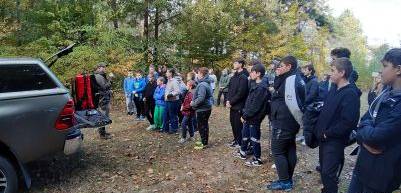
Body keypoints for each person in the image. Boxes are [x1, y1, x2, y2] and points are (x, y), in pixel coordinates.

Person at [348, 48, 401, 193]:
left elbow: (377, 136)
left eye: (385, 66)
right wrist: (366, 138)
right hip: (362, 168)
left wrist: (366, 133)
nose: (380, 71)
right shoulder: (384, 94)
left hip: (381, 176)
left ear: (398, 70)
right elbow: (363, 121)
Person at [314, 58, 361, 193]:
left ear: (342, 72)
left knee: (329, 174)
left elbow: (349, 122)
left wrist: (328, 133)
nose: (330, 73)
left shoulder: (350, 94)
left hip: (334, 141)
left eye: (333, 70)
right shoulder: (334, 88)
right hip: (324, 140)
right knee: (324, 171)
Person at [266, 56, 305, 191]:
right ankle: (288, 179)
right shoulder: (293, 78)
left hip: (284, 121)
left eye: (281, 66)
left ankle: (284, 182)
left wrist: (298, 121)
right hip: (289, 122)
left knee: (277, 151)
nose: (278, 68)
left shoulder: (291, 80)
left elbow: (293, 104)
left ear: (289, 67)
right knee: (289, 148)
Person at [233, 63, 270, 167]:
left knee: (254, 138)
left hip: (254, 118)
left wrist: (245, 116)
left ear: (258, 74)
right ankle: (243, 152)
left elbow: (255, 106)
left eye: (252, 72)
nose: (250, 73)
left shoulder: (261, 88)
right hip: (248, 116)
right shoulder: (254, 84)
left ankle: (257, 158)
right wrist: (244, 112)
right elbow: (249, 101)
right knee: (245, 134)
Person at [226, 59, 249, 148]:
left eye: (235, 63)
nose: (233, 64)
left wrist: (231, 102)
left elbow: (241, 93)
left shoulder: (243, 77)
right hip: (232, 105)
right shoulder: (233, 76)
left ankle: (240, 142)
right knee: (233, 123)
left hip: (239, 105)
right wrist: (228, 100)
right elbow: (229, 89)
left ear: (241, 64)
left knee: (238, 124)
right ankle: (236, 140)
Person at [191, 67, 213, 150]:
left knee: (202, 126)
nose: (197, 75)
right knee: (204, 125)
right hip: (206, 108)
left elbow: (201, 98)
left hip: (203, 109)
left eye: (198, 73)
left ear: (201, 74)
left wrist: (193, 103)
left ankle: (204, 143)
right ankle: (204, 141)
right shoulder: (205, 83)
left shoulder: (202, 85)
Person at [94, 62, 113, 139]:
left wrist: (109, 91)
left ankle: (103, 132)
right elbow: (104, 87)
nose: (105, 68)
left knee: (104, 116)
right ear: (98, 68)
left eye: (105, 67)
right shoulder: (98, 77)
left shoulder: (101, 76)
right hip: (102, 100)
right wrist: (111, 79)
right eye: (103, 67)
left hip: (104, 99)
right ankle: (102, 134)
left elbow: (105, 88)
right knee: (103, 116)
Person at [163, 68, 181, 134]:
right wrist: (164, 95)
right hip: (167, 101)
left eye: (167, 72)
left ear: (171, 73)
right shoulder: (168, 80)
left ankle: (174, 129)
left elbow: (178, 91)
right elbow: (168, 90)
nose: (166, 73)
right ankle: (165, 128)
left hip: (173, 101)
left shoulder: (174, 81)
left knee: (173, 115)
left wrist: (171, 94)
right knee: (165, 115)